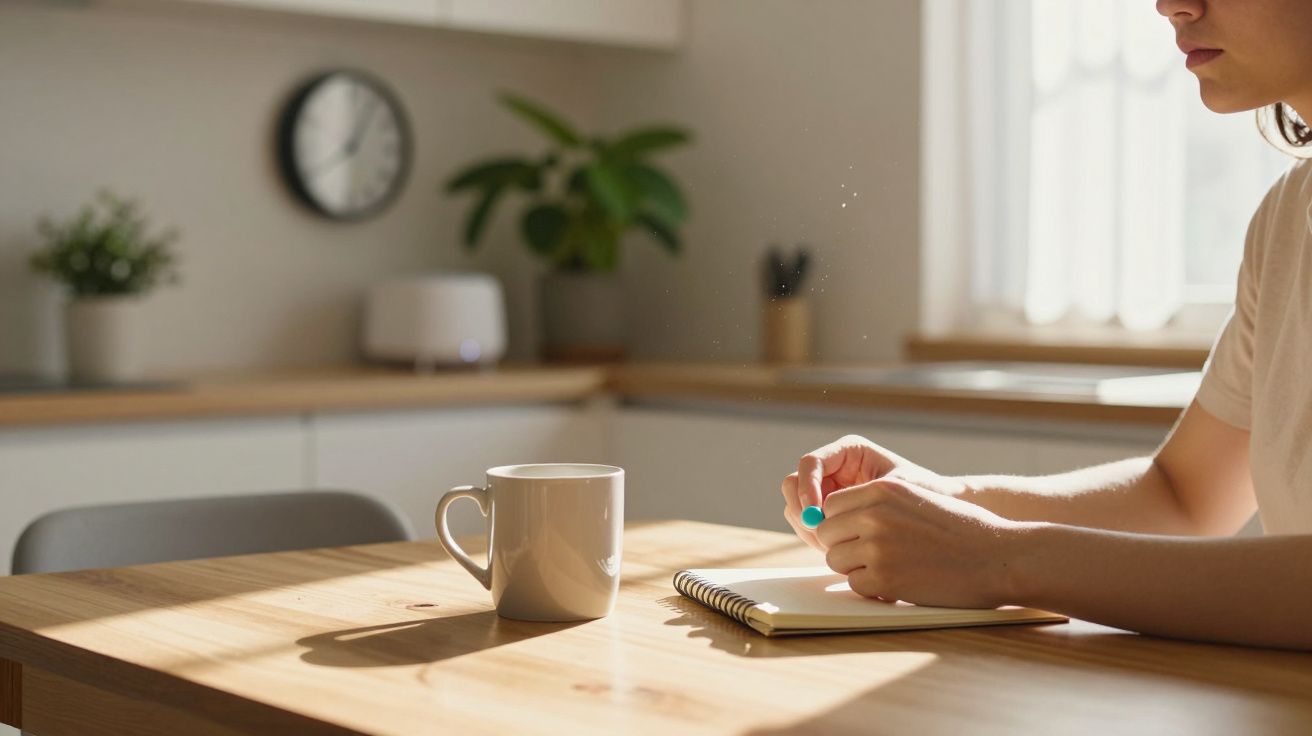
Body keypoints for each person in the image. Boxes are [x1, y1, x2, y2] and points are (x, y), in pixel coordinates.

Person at [781, 0, 1312, 651]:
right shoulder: (1289, 216)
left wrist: (999, 561)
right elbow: (1184, 499)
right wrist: (943, 501)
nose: (1172, 4)